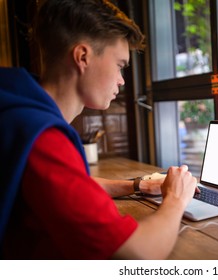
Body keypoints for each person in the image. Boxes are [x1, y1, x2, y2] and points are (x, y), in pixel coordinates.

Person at [0, 0, 197, 259]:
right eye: (119, 65)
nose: (122, 80)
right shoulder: (44, 139)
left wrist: (138, 185)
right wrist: (175, 198)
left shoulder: (19, 106)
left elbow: (74, 185)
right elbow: (135, 253)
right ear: (83, 57)